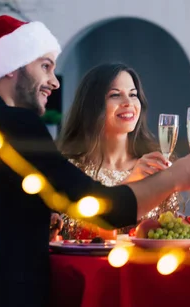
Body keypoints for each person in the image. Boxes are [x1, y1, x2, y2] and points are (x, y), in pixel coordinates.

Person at [0, 15, 190, 306]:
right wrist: (173, 178)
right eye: (45, 66)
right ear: (11, 66)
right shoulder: (16, 124)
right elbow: (101, 209)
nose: (54, 81)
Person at [56, 63, 182, 237]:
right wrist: (132, 182)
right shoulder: (69, 169)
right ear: (92, 106)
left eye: (133, 94)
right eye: (115, 95)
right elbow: (75, 234)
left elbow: (169, 233)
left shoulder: (155, 167)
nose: (128, 103)